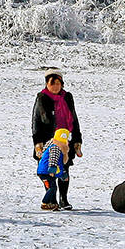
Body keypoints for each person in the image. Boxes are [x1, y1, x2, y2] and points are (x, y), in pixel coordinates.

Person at [30, 72, 82, 210]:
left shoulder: (67, 97)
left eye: (58, 84)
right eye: (52, 83)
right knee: (49, 171)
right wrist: (37, 142)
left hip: (65, 139)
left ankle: (63, 199)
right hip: (48, 140)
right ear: (47, 84)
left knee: (64, 168)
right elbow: (36, 120)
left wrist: (77, 139)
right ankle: (51, 199)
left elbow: (74, 119)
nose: (55, 86)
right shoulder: (42, 98)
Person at [36, 129, 72, 211]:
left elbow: (59, 165)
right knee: (52, 188)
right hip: (46, 172)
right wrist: (52, 170)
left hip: (45, 171)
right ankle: (45, 203)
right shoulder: (56, 147)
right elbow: (53, 159)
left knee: (52, 187)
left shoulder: (55, 146)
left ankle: (52, 204)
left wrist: (63, 175)